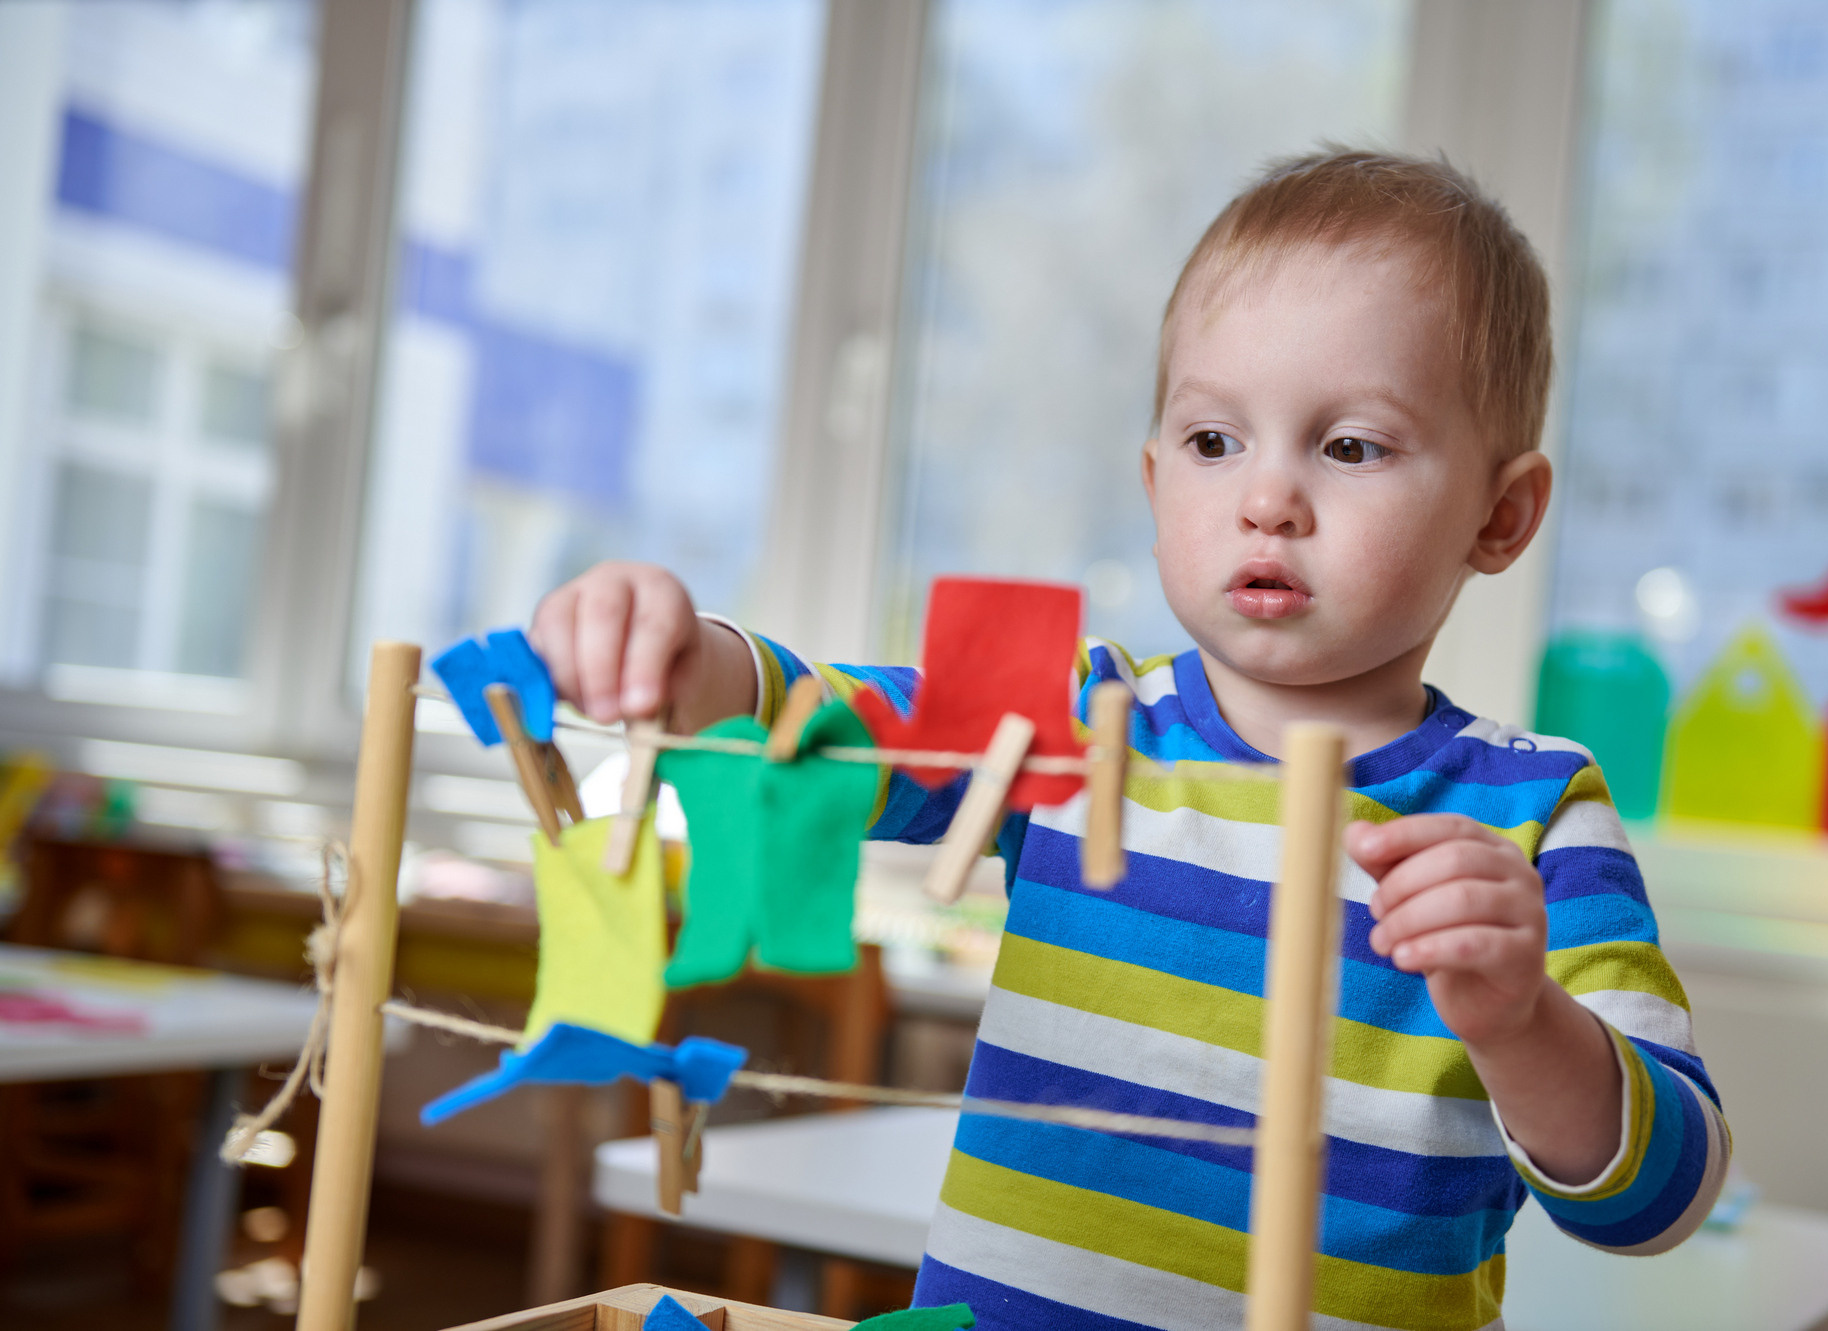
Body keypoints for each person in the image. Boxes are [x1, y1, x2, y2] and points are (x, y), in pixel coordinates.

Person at [530, 149, 1728, 1331]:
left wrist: (1522, 1022)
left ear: (1500, 514)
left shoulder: (1533, 817)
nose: (1266, 499)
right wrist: (686, 658)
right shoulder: (1072, 722)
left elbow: (1661, 1200)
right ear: (1155, 483)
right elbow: (829, 725)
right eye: (1213, 442)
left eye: (1349, 445)